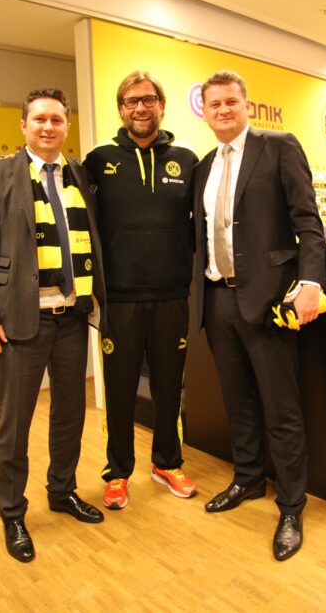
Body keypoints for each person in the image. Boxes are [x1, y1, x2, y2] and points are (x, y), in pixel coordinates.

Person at [0, 88, 106, 563]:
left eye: (57, 120)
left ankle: (62, 491)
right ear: (23, 125)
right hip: (20, 322)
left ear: (67, 126)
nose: (49, 127)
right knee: (14, 423)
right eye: (40, 119)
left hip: (73, 318)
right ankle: (12, 512)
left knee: (70, 415)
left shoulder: (80, 174)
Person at [194, 70, 326, 560]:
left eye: (231, 102)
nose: (223, 110)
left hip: (269, 300)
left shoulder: (279, 147)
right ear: (205, 113)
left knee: (280, 408)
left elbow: (308, 222)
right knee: (239, 402)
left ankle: (291, 505)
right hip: (217, 299)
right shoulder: (205, 166)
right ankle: (248, 478)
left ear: (246, 105)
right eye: (215, 104)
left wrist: (311, 283)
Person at [84, 70, 198, 510]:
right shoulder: (98, 160)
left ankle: (167, 463)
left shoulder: (186, 160)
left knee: (169, 387)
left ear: (161, 105)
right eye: (131, 101)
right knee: (119, 391)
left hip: (172, 296)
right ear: (121, 109)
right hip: (119, 299)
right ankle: (118, 472)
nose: (140, 108)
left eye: (148, 99)